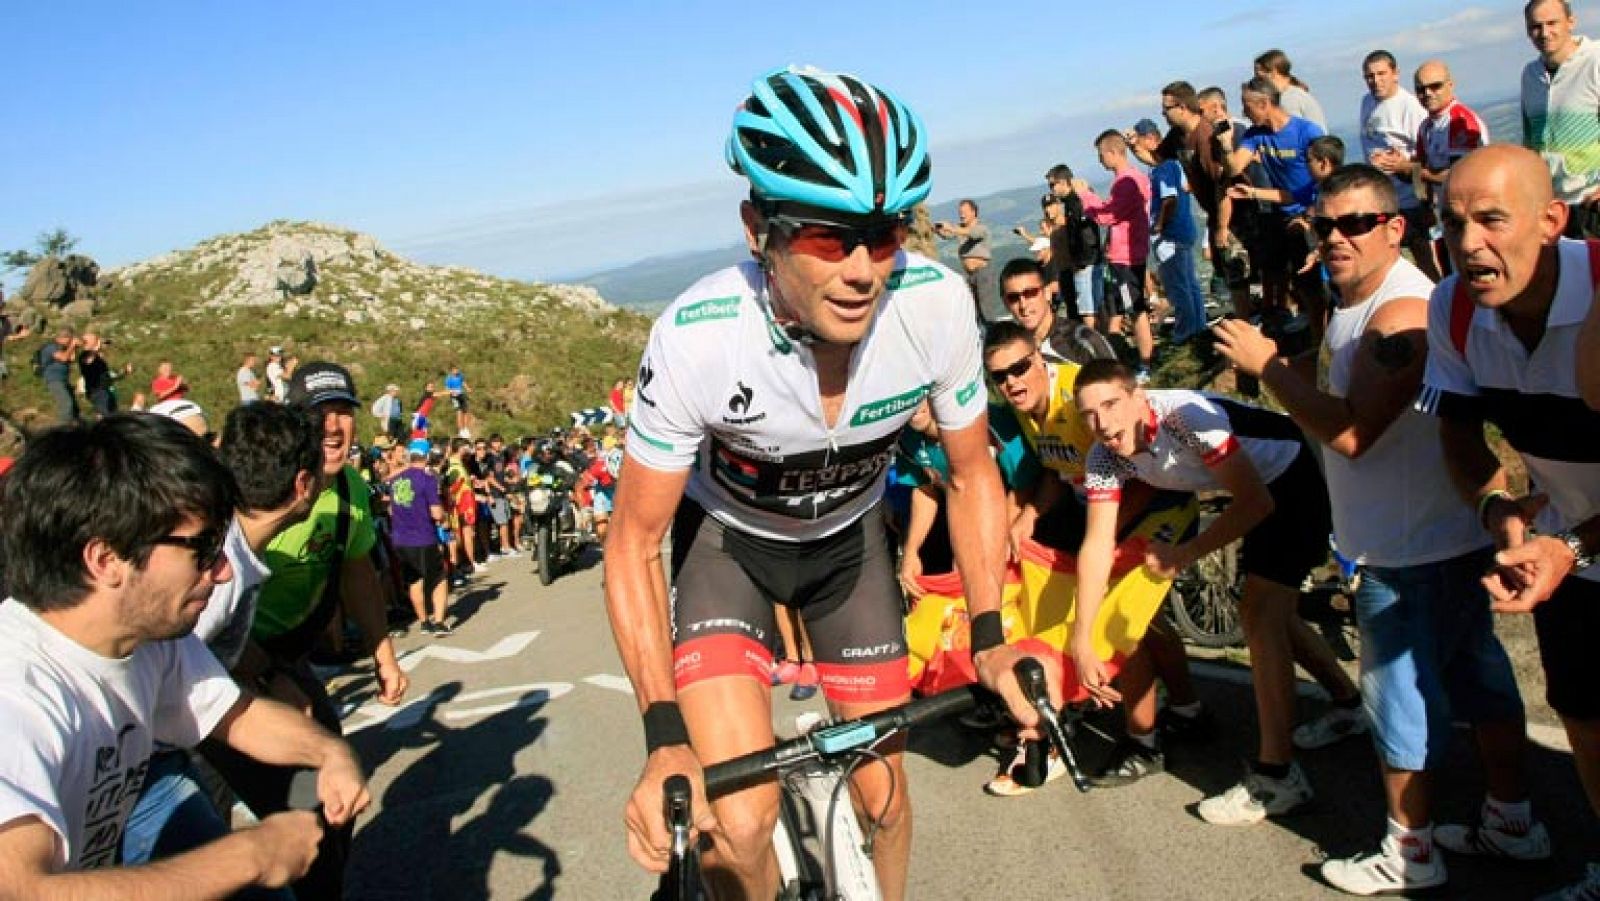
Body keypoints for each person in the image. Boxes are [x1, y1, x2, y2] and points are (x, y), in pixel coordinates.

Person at [607, 65, 1043, 901]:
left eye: (883, 236)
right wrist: (663, 734)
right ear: (757, 230)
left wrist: (990, 633)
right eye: (824, 237)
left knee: (886, 800)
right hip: (729, 555)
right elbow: (631, 541)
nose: (862, 270)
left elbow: (973, 469)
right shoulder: (699, 337)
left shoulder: (937, 305)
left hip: (848, 554)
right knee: (740, 822)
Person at [1215, 164, 1543, 894]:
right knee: (1481, 683)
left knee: (1397, 700)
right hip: (1432, 535)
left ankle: (1409, 849)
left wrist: (1268, 365)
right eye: (1324, 224)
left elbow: (1355, 432)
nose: (1335, 237)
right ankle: (1512, 820)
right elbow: (1335, 377)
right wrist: (1292, 366)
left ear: (1394, 228)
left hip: (1405, 548)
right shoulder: (1355, 304)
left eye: (1356, 223)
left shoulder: (1401, 315)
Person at [0, 413, 370, 897]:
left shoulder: (150, 639)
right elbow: (22, 889)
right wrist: (249, 854)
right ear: (106, 559)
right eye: (202, 550)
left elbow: (236, 714)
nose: (220, 572)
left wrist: (328, 753)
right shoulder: (18, 697)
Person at [1418, 144, 1600, 900]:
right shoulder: (1455, 308)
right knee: (1585, 716)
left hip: (1577, 543)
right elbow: (1458, 431)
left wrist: (1572, 545)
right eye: (1454, 223)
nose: (1468, 245)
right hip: (1569, 543)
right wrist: (1498, 508)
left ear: (1552, 220)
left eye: (1492, 220)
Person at [1072, 360, 1362, 825]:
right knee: (1274, 613)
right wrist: (1081, 638)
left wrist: (1183, 554)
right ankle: (1349, 705)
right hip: (1257, 489)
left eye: (1110, 404)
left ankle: (1276, 777)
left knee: (1259, 614)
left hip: (1292, 479)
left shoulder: (1185, 417)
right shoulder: (1104, 455)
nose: (1102, 423)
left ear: (1138, 396)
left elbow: (1256, 503)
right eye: (1088, 414)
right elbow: (1096, 545)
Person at [984, 322, 1207, 790]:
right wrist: (1028, 514)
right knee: (1151, 620)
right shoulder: (1028, 409)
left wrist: (1110, 540)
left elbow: (1143, 475)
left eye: (1021, 368)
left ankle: (1144, 742)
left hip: (1152, 503)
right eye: (1000, 376)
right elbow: (1054, 472)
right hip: (1108, 511)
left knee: (1121, 623)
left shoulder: (1075, 401)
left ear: (1040, 361)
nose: (1012, 382)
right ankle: (1187, 709)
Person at [121, 400, 328, 885]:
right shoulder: (216, 573)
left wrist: (269, 672)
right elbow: (170, 661)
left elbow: (205, 649)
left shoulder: (231, 547)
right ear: (302, 486)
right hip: (158, 762)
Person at [223, 361, 408, 900]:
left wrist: (384, 654)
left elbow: (357, 573)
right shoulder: (259, 487)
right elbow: (207, 604)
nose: (332, 426)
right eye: (318, 413)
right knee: (270, 808)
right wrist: (261, 676)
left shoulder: (349, 489)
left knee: (334, 791)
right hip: (218, 661)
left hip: (285, 660)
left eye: (343, 412)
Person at [1217, 76, 1329, 333]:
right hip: (1281, 213)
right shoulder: (1256, 135)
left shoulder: (1306, 131)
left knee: (1312, 283)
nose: (1243, 111)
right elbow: (1234, 167)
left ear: (1265, 103)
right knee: (1286, 276)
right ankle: (1306, 333)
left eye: (1247, 105)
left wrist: (1312, 215)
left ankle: (1321, 338)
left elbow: (1327, 175)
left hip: (1309, 213)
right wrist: (1225, 146)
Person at [1077, 131, 1156, 379]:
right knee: (1123, 308)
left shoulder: (1125, 182)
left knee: (1135, 309)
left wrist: (1085, 195)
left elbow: (1107, 216)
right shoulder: (1136, 178)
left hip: (1125, 256)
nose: (1100, 161)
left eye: (1101, 155)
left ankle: (1146, 363)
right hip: (1128, 253)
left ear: (1112, 152)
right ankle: (1129, 359)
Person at [1521, 0, 1600, 238]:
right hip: (1554, 206)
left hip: (1592, 200)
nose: (1544, 33)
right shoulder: (1530, 75)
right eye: (1536, 26)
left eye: (1552, 23)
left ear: (1571, 22)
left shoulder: (1595, 61)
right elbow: (1530, 140)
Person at [1358, 50, 1438, 281]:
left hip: (1411, 198)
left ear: (1395, 74)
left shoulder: (1410, 107)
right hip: (1384, 198)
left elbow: (1426, 154)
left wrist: (1403, 166)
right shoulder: (1367, 102)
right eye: (1370, 76)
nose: (1376, 81)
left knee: (1423, 259)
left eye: (1381, 74)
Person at [1406, 60, 1490, 276]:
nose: (1428, 94)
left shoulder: (1459, 119)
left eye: (1435, 86)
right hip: (1444, 215)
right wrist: (1423, 203)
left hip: (1469, 211)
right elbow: (1419, 166)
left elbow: (1457, 175)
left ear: (1450, 85)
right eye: (1421, 89)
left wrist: (1407, 169)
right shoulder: (1426, 125)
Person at [1137, 127, 1207, 344]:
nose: (1138, 152)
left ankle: (1185, 332)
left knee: (1177, 286)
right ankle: (1198, 327)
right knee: (1189, 283)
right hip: (1183, 231)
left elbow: (1170, 199)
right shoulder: (1173, 166)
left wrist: (1159, 225)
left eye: (1139, 145)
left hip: (1170, 236)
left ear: (1151, 140)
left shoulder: (1164, 169)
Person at [388, 439, 450, 635]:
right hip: (423, 536)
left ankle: (424, 622)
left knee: (414, 581)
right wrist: (445, 518)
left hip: (400, 538)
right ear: (428, 456)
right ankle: (439, 622)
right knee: (439, 577)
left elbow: (391, 509)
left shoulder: (396, 479)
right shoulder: (427, 479)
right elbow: (436, 513)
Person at [1045, 165, 1106, 329]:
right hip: (1090, 260)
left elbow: (1086, 232)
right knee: (1096, 306)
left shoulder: (1077, 201)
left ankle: (1095, 347)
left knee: (1087, 309)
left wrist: (1080, 261)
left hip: (1085, 263)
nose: (1051, 189)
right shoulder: (1072, 202)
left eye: (1053, 185)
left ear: (1064, 182)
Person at [935, 199, 1001, 323]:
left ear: (974, 212)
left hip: (983, 273)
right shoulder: (960, 229)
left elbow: (972, 234)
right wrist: (938, 230)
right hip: (969, 276)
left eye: (965, 212)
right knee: (971, 311)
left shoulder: (981, 228)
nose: (961, 215)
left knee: (986, 312)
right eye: (960, 212)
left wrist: (951, 228)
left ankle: (994, 338)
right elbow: (948, 235)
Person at [1254, 48, 1328, 128]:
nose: (1256, 82)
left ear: (1274, 72)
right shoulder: (1295, 93)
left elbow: (1290, 132)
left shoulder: (1289, 99)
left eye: (1259, 78)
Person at [76, 332, 130, 418]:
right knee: (105, 417)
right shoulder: (84, 355)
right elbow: (89, 361)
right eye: (96, 339)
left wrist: (124, 373)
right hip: (97, 392)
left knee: (114, 417)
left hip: (106, 391)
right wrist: (97, 347)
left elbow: (107, 379)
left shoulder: (98, 358)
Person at [37, 327, 79, 423]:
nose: (70, 341)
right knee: (66, 403)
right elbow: (63, 358)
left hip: (63, 379)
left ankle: (76, 427)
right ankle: (63, 429)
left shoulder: (64, 348)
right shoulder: (51, 347)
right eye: (69, 339)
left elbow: (72, 358)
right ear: (63, 337)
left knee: (74, 406)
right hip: (54, 379)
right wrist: (72, 346)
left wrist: (74, 347)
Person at [444, 365, 472, 436]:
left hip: (461, 394)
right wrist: (452, 392)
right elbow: (447, 388)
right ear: (451, 371)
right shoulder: (448, 378)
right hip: (454, 397)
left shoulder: (460, 375)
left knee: (466, 411)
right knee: (459, 412)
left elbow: (463, 382)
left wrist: (467, 388)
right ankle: (460, 430)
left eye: (457, 370)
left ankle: (466, 429)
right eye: (454, 370)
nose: (456, 371)